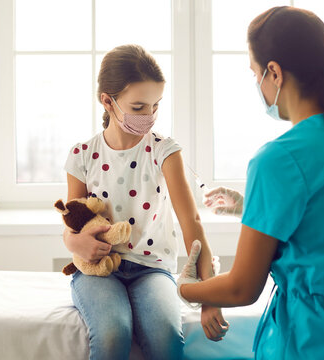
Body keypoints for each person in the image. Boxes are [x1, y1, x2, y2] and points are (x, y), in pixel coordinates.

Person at [177, 6, 324, 360]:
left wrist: (189, 289)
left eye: (255, 73)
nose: (257, 84)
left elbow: (242, 288)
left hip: (311, 346)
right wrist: (250, 207)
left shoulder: (278, 159)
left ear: (274, 72)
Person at [62, 44, 228, 360]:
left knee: (165, 336)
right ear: (107, 101)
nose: (149, 117)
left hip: (152, 268)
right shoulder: (83, 155)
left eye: (156, 106)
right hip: (99, 270)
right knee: (113, 334)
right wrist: (77, 242)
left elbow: (192, 223)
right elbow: (72, 223)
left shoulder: (165, 151)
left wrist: (209, 296)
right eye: (138, 107)